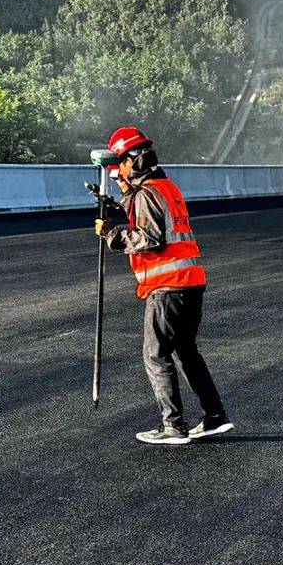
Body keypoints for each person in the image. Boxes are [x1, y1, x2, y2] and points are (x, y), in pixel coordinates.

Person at [94, 126, 233, 445]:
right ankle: (214, 417)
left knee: (155, 354)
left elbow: (150, 238)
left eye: (120, 164)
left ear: (132, 161)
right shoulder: (165, 187)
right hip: (191, 282)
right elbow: (154, 222)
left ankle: (173, 426)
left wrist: (111, 235)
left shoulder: (146, 194)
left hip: (168, 285)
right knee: (185, 351)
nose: (118, 171)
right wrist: (122, 199)